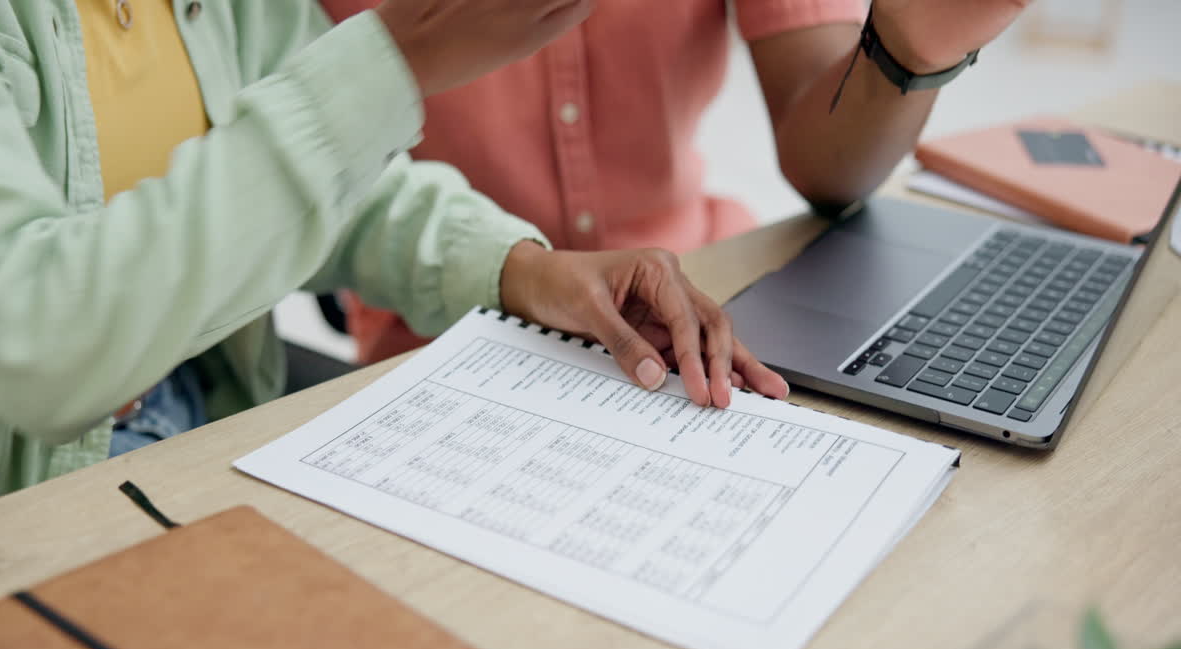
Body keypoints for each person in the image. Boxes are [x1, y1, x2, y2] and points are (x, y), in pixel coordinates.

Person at [0, 0, 786, 530]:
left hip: (209, 427)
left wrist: (525, 270)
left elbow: (332, 192)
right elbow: (41, 344)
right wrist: (395, 59)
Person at [319, 0, 1032, 364]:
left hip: (701, 295)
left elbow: (829, 172)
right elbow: (299, 167)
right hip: (445, 332)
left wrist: (906, 50)